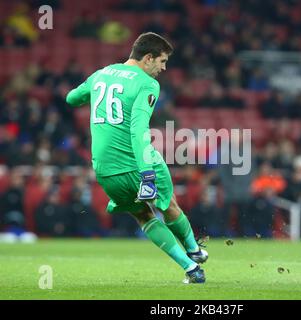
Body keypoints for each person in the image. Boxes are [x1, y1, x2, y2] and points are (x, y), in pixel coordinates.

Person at [65, 32, 207, 283]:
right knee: (169, 204)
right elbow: (138, 131)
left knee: (143, 217)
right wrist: (147, 174)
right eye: (162, 61)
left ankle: (191, 268)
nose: (163, 68)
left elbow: (71, 98)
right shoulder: (147, 83)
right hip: (140, 161)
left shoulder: (101, 74)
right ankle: (194, 249)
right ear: (148, 58)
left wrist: (92, 94)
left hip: (106, 168)